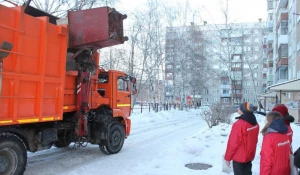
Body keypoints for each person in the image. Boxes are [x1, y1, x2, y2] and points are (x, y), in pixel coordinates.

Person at [224, 102, 259, 175]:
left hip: (239, 158)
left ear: (244, 110)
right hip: (249, 156)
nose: (238, 109)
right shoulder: (255, 123)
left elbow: (233, 143)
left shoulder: (239, 124)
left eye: (239, 108)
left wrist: (227, 157)